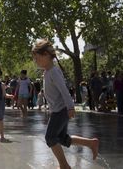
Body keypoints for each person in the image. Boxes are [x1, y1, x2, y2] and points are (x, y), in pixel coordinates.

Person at [32, 39, 98, 169]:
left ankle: (64, 166)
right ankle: (91, 143)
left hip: (61, 111)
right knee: (62, 138)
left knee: (50, 138)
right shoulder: (48, 71)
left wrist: (70, 107)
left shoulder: (53, 72)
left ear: (46, 54)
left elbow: (64, 90)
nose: (36, 61)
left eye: (37, 58)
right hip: (57, 111)